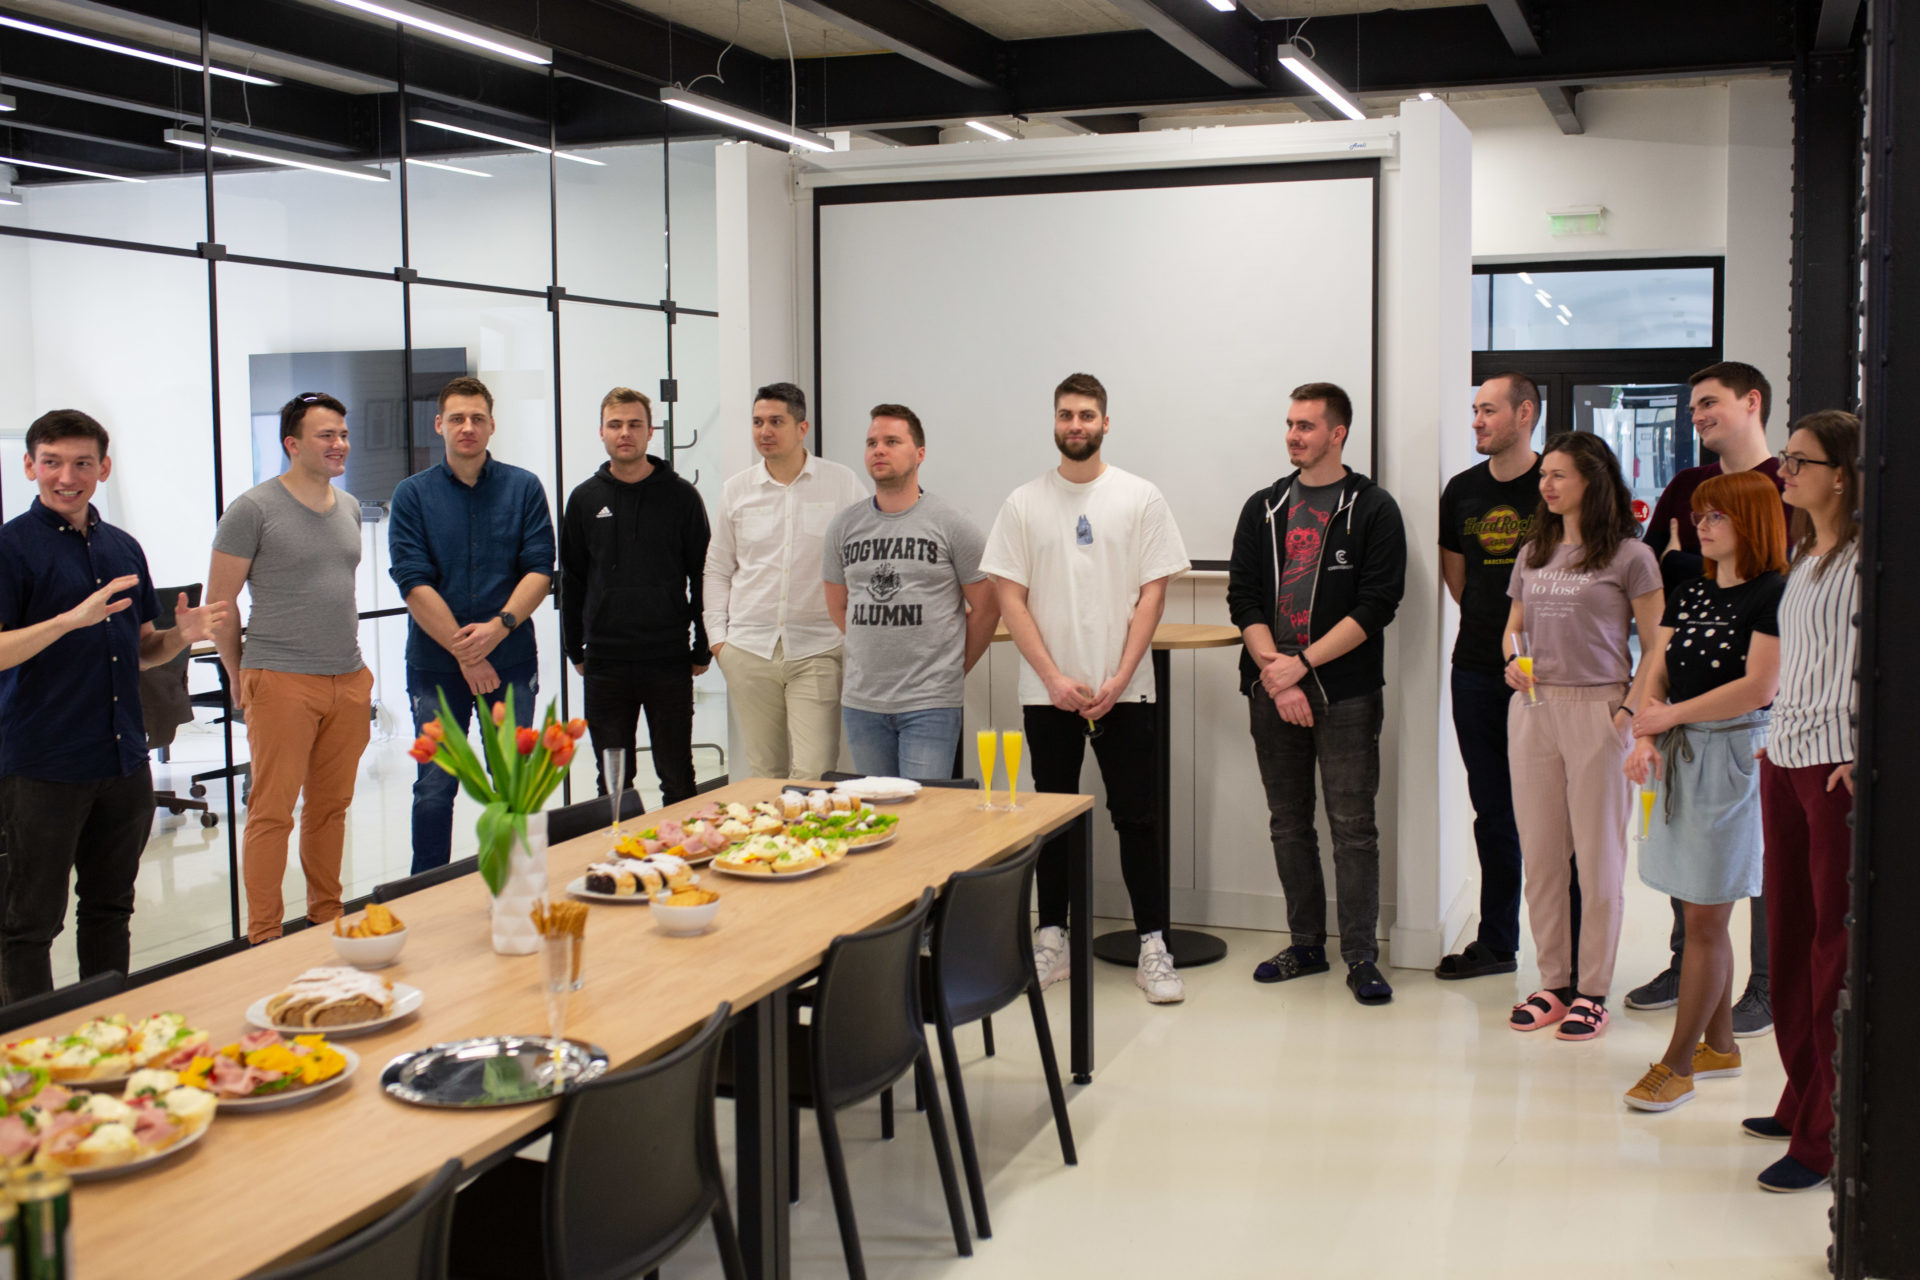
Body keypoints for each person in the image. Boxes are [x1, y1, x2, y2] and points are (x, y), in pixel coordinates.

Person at [0, 410, 227, 1001]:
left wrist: (180, 637)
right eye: (52, 462)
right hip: (42, 764)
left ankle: (106, 1027)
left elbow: (143, 650)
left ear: (103, 468)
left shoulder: (123, 548)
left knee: (110, 908)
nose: (66, 477)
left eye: (81, 463)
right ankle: (33, 1047)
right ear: (29, 466)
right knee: (29, 924)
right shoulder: (10, 548)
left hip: (122, 760)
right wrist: (68, 621)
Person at [981, 373, 1191, 1004]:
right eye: (1067, 414)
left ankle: (1153, 945)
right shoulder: (1023, 503)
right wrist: (1052, 676)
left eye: (1087, 415)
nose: (1077, 424)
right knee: (1051, 819)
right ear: (1054, 422)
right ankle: (1052, 939)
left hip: (1125, 691)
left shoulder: (1140, 497)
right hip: (1049, 694)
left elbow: (1153, 594)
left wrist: (1120, 676)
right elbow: (1009, 598)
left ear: (1105, 423)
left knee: (1138, 819)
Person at [1229, 381, 1406, 1006]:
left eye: (1305, 426)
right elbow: (1243, 598)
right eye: (1289, 424)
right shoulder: (1265, 507)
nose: (1293, 436)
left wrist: (1300, 666)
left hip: (1345, 693)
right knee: (1288, 823)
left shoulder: (1373, 508)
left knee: (1353, 828)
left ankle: (1360, 956)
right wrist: (1276, 674)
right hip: (1270, 688)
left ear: (1338, 433)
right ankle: (1305, 944)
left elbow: (1377, 605)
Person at [1627, 361, 1787, 1031]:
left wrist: (1665, 713)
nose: (1697, 415)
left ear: (1751, 402)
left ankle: (1765, 985)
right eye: (1692, 405)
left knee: (1753, 868)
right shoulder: (1687, 485)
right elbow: (1660, 584)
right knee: (1691, 881)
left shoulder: (1786, 485)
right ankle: (1690, 971)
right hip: (1685, 709)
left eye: (1709, 402)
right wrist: (1647, 720)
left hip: (1756, 720)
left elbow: (1764, 667)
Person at [1504, 431, 1664, 1041]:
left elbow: (1657, 646)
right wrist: (1511, 660)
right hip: (1534, 708)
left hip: (1599, 707)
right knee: (1543, 857)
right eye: (1543, 475)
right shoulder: (1533, 551)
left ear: (1592, 482)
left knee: (1599, 861)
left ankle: (1593, 990)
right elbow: (1513, 627)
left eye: (1558, 475)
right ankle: (1553, 983)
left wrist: (1628, 712)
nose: (1545, 485)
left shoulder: (1630, 556)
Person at [208, 392, 373, 945]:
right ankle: (264, 937)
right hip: (279, 677)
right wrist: (237, 675)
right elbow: (220, 605)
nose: (339, 444)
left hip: (347, 678)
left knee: (330, 809)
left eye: (343, 434)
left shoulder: (349, 506)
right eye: (327, 435)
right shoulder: (252, 509)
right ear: (292, 444)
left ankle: (326, 917)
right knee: (272, 812)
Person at [1747, 409, 1860, 1193]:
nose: (1784, 472)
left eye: (1800, 461)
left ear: (1842, 476)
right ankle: (1802, 1094)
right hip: (1784, 758)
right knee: (1785, 936)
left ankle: (1826, 1135)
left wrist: (1869, 750)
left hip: (1832, 770)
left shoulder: (1867, 560)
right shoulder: (1807, 555)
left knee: (1832, 949)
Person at [388, 376, 555, 873]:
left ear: (492, 426)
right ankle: (427, 892)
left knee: (513, 785)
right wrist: (467, 652)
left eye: (477, 418)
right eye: (457, 418)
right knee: (435, 786)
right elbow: (412, 581)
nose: (467, 427)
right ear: (439, 424)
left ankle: (516, 888)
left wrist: (496, 630)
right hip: (435, 669)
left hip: (510, 660)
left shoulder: (523, 487)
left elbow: (540, 569)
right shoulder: (412, 495)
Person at [1433, 372, 1545, 981]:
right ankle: (1498, 942)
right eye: (1474, 410)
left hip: (1548, 676)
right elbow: (1460, 580)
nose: (1476, 421)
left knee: (1554, 814)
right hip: (1477, 668)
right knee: (1494, 811)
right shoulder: (1462, 491)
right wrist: (1496, 631)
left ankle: (1571, 956)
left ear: (1525, 414)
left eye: (1489, 410)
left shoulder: (1556, 484)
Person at [822, 405, 998, 778]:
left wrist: (953, 670)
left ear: (919, 453)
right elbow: (838, 605)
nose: (878, 450)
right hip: (862, 703)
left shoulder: (952, 524)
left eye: (891, 441)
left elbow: (987, 607)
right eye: (871, 443)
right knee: (877, 807)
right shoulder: (843, 526)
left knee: (924, 809)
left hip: (929, 703)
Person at [703, 383, 867, 781]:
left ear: (802, 427)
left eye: (776, 421)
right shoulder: (736, 490)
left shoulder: (841, 483)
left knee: (815, 771)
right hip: (748, 649)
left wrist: (853, 631)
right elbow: (718, 568)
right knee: (764, 773)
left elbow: (868, 554)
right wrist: (718, 641)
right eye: (758, 422)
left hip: (818, 648)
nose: (765, 431)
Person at [561, 387, 711, 804]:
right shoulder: (584, 499)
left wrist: (702, 646)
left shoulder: (681, 496)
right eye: (615, 425)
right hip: (605, 662)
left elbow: (703, 576)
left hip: (668, 658)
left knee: (677, 775)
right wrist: (574, 647)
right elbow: (572, 579)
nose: (624, 433)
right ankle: (617, 848)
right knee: (613, 782)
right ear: (601, 432)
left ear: (650, 432)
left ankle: (683, 845)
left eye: (634, 424)